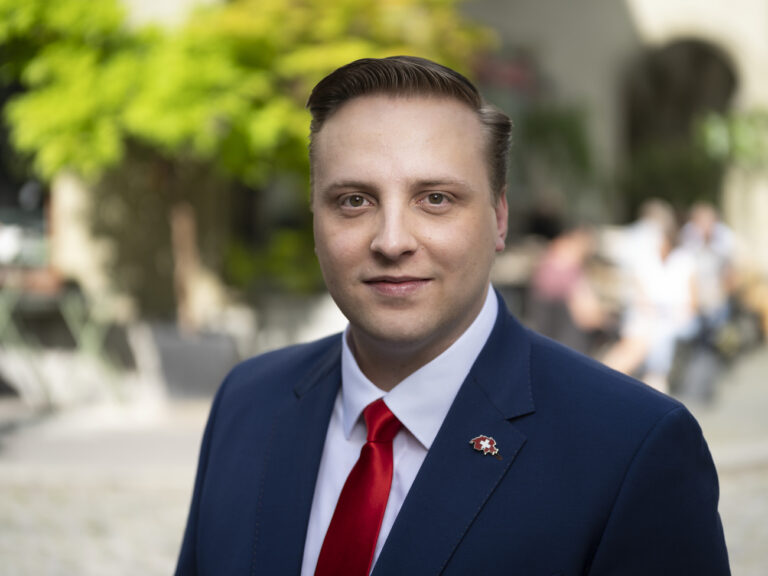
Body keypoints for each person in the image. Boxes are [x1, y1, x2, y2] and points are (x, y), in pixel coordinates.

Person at [175, 56, 729, 575]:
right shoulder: (246, 401)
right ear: (315, 220)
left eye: (435, 198)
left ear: (499, 218)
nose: (392, 241)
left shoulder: (633, 447)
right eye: (353, 201)